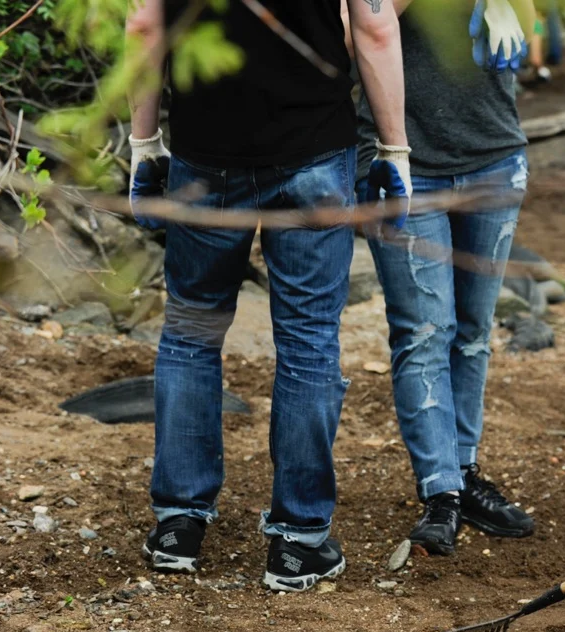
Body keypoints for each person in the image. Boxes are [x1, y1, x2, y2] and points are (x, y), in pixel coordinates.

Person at [128, 0, 411, 591]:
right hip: (313, 153)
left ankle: (180, 525)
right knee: (308, 342)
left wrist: (143, 141)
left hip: (205, 157)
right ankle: (297, 542)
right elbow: (376, 26)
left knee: (190, 334)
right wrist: (394, 152)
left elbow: (144, 23)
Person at [354, 0, 534, 557]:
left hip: (494, 154)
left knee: (474, 331)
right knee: (423, 331)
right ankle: (440, 492)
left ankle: (463, 469)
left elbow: (530, 43)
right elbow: (353, 27)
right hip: (401, 161)